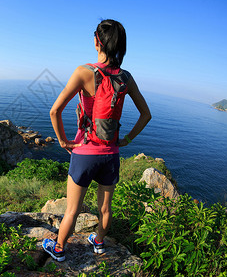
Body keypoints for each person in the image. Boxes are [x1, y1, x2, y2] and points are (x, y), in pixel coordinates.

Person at [42, 19, 151, 262]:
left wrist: (63, 141)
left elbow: (54, 111)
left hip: (84, 153)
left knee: (72, 209)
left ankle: (59, 249)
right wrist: (127, 140)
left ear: (97, 42)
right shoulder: (126, 77)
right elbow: (146, 114)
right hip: (110, 154)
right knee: (105, 208)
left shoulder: (84, 71)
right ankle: (99, 242)